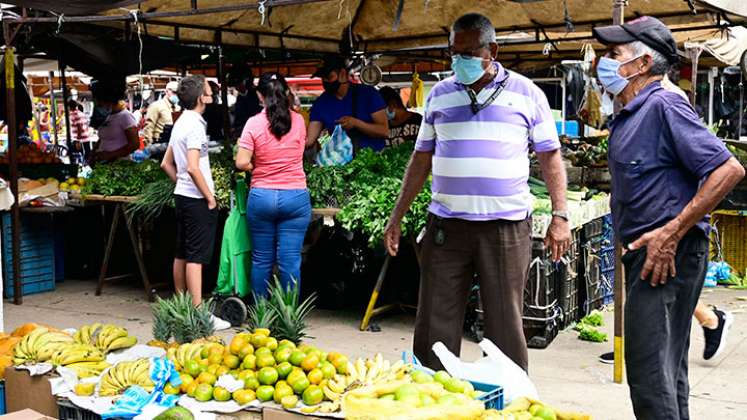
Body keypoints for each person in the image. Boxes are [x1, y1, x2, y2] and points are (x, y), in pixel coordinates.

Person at [383, 13, 571, 372]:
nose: (459, 61)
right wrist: (397, 216)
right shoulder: (439, 96)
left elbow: (550, 156)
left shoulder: (527, 93)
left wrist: (560, 215)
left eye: (468, 52)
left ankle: (509, 399)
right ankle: (433, 395)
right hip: (446, 226)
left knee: (504, 322)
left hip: (505, 227)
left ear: (492, 51)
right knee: (434, 320)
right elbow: (421, 160)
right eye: (454, 52)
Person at [592, 16, 744, 418]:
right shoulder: (634, 109)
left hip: (663, 256)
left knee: (647, 373)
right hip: (657, 254)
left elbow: (728, 169)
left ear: (642, 64)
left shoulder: (663, 103)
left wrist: (671, 232)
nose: (603, 63)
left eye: (613, 55)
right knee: (666, 370)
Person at [160, 75, 231, 331]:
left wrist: (181, 184)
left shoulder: (181, 121)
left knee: (182, 252)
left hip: (183, 196)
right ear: (202, 97)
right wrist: (209, 197)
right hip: (196, 199)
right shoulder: (194, 127)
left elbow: (166, 163)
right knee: (196, 257)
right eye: (208, 88)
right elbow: (192, 167)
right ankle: (200, 313)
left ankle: (181, 307)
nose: (212, 91)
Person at [235, 73, 310, 297]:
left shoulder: (253, 123)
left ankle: (261, 319)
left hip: (262, 197)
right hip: (295, 197)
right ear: (286, 93)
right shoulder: (299, 120)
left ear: (260, 96)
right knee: (290, 261)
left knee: (261, 259)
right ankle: (289, 318)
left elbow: (241, 162)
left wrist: (255, 166)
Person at [306, 57, 389, 152]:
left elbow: (384, 131)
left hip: (373, 160)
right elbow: (309, 140)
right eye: (323, 78)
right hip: (340, 163)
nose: (326, 81)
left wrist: (356, 123)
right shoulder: (320, 103)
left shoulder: (368, 94)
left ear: (342, 74)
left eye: (329, 77)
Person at [89, 79, 139, 163]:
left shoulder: (125, 116)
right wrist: (93, 152)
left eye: (101, 103)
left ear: (110, 101)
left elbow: (134, 144)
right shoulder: (106, 116)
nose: (98, 106)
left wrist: (110, 154)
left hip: (119, 164)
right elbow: (103, 138)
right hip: (103, 163)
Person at [229, 66, 262, 136]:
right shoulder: (240, 97)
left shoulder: (258, 95)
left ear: (245, 81)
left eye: (237, 84)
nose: (236, 88)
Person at [143, 81, 179, 145]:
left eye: (178, 93)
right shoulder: (156, 106)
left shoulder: (177, 108)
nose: (176, 95)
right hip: (158, 143)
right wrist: (149, 146)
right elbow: (148, 127)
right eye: (174, 92)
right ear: (166, 91)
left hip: (172, 143)